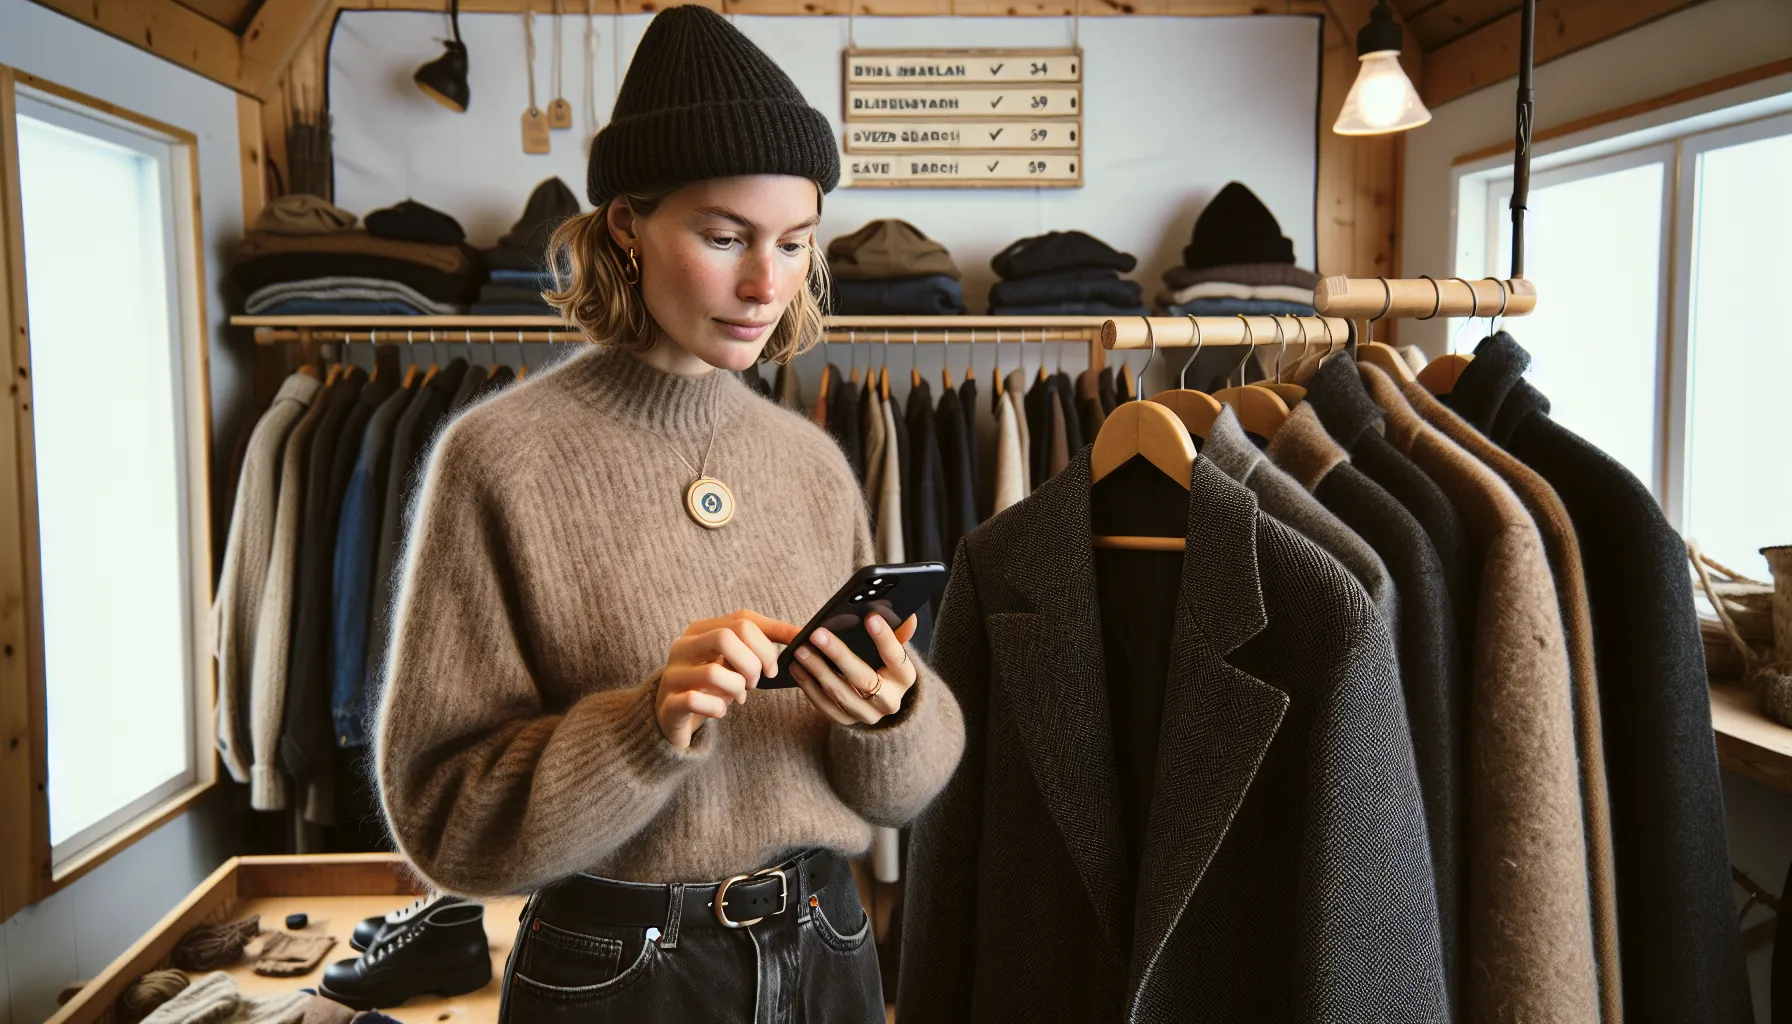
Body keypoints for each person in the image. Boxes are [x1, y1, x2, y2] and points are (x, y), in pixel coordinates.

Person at [372, 7, 967, 1020]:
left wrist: (892, 712)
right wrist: (645, 723)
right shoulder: (501, 460)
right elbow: (445, 820)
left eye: (794, 243)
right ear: (625, 225)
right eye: (724, 237)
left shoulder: (810, 464)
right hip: (621, 970)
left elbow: (900, 792)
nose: (765, 283)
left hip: (831, 947)